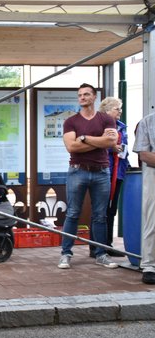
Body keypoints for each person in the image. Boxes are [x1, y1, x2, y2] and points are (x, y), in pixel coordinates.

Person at [57, 84, 119, 270]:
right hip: (78, 170)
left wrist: (83, 138)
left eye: (86, 94)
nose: (82, 97)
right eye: (80, 95)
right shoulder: (71, 121)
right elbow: (72, 147)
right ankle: (65, 254)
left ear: (94, 97)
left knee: (100, 215)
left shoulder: (106, 119)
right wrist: (99, 142)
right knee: (73, 213)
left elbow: (111, 141)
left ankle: (101, 254)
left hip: (101, 171)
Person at [97, 97, 129, 257]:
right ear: (107, 111)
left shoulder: (122, 128)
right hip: (104, 171)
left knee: (111, 210)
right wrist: (111, 147)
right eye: (117, 108)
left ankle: (107, 244)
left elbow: (124, 149)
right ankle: (96, 246)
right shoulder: (99, 126)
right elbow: (96, 145)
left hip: (119, 172)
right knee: (100, 210)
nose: (120, 111)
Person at [133, 112, 155, 284]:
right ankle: (149, 265)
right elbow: (144, 155)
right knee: (152, 221)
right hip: (153, 178)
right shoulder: (147, 122)